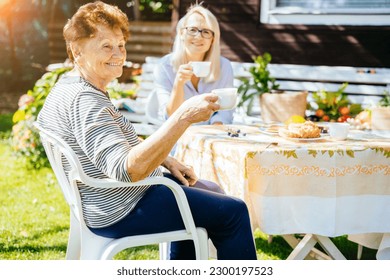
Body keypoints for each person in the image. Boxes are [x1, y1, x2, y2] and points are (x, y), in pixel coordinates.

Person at [37, 1, 256, 260]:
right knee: (234, 212)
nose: (118, 54)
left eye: (120, 45)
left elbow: (115, 145)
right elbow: (127, 170)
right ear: (77, 50)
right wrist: (184, 116)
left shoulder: (72, 85)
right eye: (106, 46)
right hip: (121, 206)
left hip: (113, 197)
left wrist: (165, 159)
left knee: (210, 191)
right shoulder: (85, 100)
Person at [152, 3, 235, 125]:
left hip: (210, 135)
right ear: (181, 33)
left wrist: (213, 131)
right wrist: (179, 84)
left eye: (206, 32)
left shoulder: (224, 66)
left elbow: (225, 112)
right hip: (176, 137)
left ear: (213, 39)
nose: (198, 36)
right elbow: (169, 116)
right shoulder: (164, 67)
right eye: (192, 30)